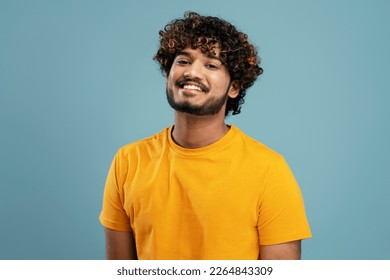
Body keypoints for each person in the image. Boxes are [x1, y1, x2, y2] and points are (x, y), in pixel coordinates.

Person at [99, 11, 311, 260]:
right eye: (183, 61)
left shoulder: (269, 171)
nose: (193, 73)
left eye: (211, 65)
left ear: (234, 87)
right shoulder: (127, 161)